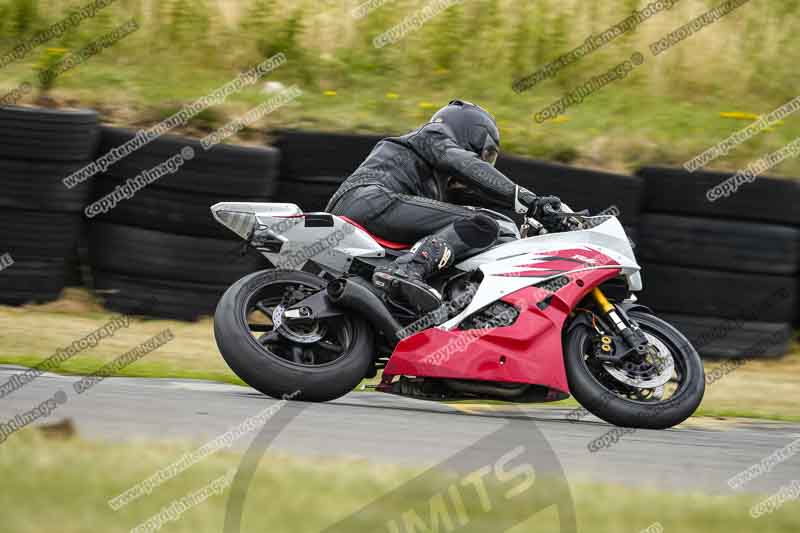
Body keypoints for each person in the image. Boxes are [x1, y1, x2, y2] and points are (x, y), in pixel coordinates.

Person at [326, 99, 562, 313]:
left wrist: (534, 211)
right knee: (481, 224)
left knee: (486, 226)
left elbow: (480, 193)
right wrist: (529, 201)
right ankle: (406, 270)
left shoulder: (433, 174)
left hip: (361, 208)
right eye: (486, 153)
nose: (485, 160)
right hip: (370, 201)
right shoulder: (433, 136)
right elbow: (468, 166)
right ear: (469, 133)